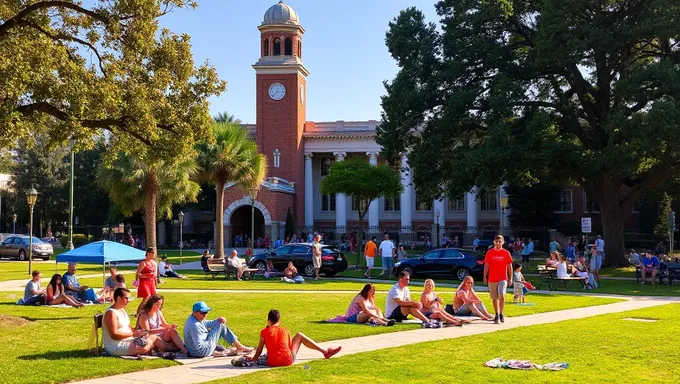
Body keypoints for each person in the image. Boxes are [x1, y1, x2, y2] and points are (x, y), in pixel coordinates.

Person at [247, 309, 341, 366]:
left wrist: (254, 358)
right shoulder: (285, 330)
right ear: (279, 320)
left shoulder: (264, 332)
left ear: (268, 320)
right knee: (299, 335)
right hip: (287, 361)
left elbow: (259, 350)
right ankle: (325, 351)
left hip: (271, 362)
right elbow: (288, 347)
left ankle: (325, 352)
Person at [103, 287, 162, 357]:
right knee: (150, 342)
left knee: (152, 337)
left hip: (128, 341)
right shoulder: (111, 313)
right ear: (119, 298)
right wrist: (133, 334)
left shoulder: (122, 310)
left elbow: (130, 328)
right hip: (116, 346)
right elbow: (114, 335)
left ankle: (175, 348)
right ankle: (172, 349)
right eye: (126, 298)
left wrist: (140, 331)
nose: (128, 301)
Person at [183, 301, 253, 357]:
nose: (205, 315)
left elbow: (209, 323)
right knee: (221, 326)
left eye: (206, 312)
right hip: (201, 352)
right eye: (202, 312)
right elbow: (200, 347)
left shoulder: (195, 319)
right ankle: (239, 347)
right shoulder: (194, 325)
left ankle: (238, 346)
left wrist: (219, 319)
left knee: (220, 324)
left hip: (199, 350)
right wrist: (211, 345)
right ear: (195, 312)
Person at [483, 234, 513, 324]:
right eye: (496, 241)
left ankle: (501, 313)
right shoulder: (490, 252)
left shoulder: (506, 253)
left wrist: (510, 277)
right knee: (494, 298)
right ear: (494, 242)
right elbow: (486, 265)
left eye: (500, 241)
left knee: (502, 294)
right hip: (492, 278)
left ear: (503, 242)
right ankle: (496, 314)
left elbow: (509, 266)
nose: (498, 243)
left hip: (503, 278)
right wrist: (485, 277)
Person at [135, 247, 158, 315]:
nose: (154, 254)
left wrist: (155, 281)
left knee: (154, 297)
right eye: (153, 253)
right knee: (146, 297)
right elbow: (138, 274)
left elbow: (155, 274)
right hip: (144, 282)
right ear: (149, 253)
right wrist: (146, 275)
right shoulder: (143, 263)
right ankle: (138, 312)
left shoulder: (154, 262)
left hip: (152, 282)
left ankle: (149, 311)